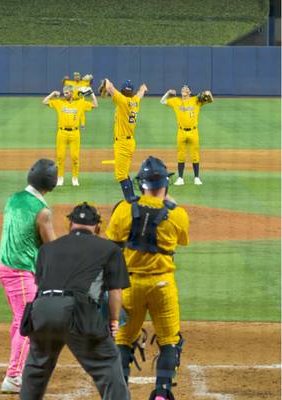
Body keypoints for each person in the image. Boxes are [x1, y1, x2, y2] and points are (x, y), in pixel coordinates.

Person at [20, 202, 130, 400]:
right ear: (97, 226)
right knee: (107, 363)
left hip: (41, 310)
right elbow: (115, 292)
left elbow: (41, 286)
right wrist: (113, 322)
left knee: (37, 366)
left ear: (69, 223)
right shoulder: (110, 249)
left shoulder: (47, 249)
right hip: (77, 310)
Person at [106, 156, 190, 400]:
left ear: (141, 183)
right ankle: (162, 393)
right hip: (163, 286)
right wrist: (169, 205)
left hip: (129, 286)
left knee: (123, 339)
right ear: (166, 183)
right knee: (169, 340)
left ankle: (119, 393)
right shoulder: (177, 214)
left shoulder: (123, 209)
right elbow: (182, 240)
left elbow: (113, 246)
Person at [0, 159, 58, 394]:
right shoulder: (43, 212)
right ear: (51, 182)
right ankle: (13, 376)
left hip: (3, 265)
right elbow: (52, 248)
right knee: (30, 324)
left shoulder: (14, 199)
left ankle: (18, 366)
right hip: (19, 272)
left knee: (21, 319)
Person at [43, 85, 98, 186]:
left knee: (75, 157)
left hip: (75, 133)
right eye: (64, 93)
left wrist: (92, 94)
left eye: (67, 93)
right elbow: (45, 102)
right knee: (60, 157)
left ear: (72, 93)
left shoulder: (80, 103)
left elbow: (95, 104)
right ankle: (60, 178)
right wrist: (53, 94)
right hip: (62, 133)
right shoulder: (59, 102)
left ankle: (75, 178)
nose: (65, 94)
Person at [104, 78, 148, 201]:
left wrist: (106, 80)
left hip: (123, 143)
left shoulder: (122, 100)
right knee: (124, 173)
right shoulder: (135, 100)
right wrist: (143, 88)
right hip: (129, 142)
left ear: (122, 91)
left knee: (121, 176)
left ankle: (131, 203)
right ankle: (133, 198)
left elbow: (109, 88)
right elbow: (140, 94)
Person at [160, 85, 213, 185]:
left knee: (195, 155)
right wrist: (168, 93)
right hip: (181, 132)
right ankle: (180, 178)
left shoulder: (196, 100)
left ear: (190, 92)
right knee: (181, 155)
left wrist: (208, 93)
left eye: (186, 89)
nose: (184, 90)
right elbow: (162, 101)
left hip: (193, 132)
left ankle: (196, 178)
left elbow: (211, 100)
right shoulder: (176, 101)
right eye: (183, 89)